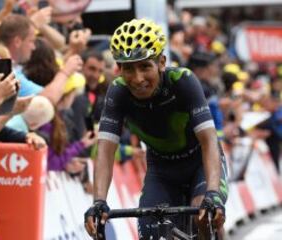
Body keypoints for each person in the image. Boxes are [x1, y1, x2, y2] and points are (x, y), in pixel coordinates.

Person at [84, 19, 228, 239]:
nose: (137, 78)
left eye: (145, 66)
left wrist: (213, 193)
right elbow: (104, 151)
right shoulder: (118, 92)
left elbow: (209, 141)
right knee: (151, 231)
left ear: (161, 62)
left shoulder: (183, 81)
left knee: (204, 216)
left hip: (200, 161)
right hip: (162, 169)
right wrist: (99, 202)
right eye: (128, 68)